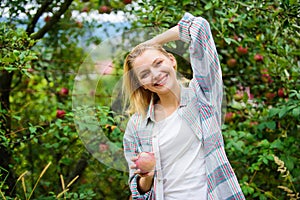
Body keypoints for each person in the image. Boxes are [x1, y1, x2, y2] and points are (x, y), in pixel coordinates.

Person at [122, 12, 245, 200]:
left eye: (158, 63)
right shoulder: (137, 126)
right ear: (140, 83)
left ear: (172, 60)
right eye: (144, 73)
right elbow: (138, 193)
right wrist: (147, 176)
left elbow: (199, 27)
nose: (155, 75)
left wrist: (152, 43)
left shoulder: (202, 96)